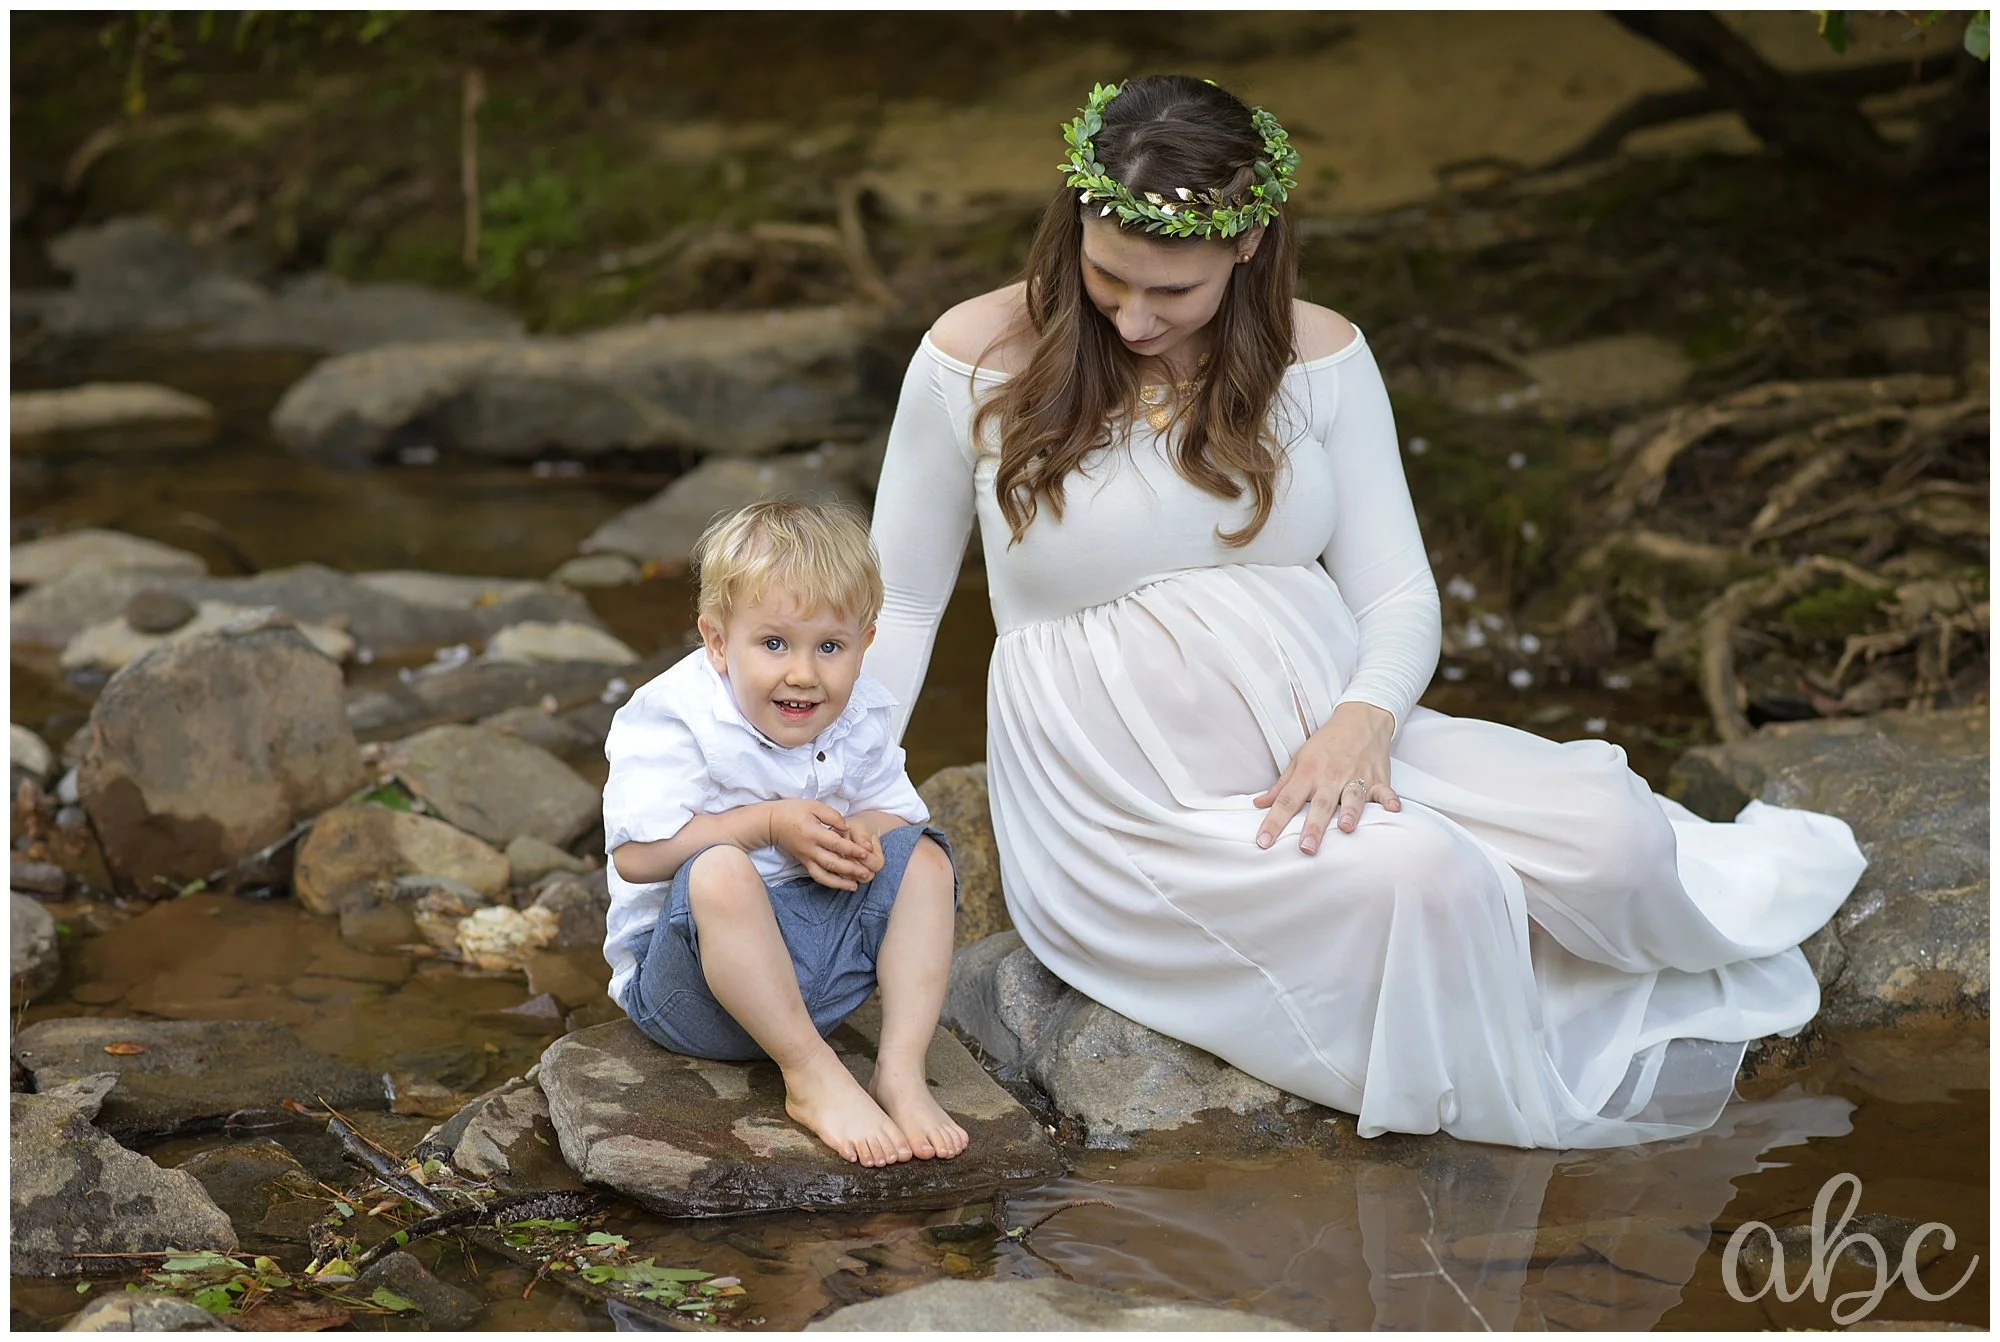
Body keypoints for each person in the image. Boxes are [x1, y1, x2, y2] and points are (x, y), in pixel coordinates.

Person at [864, 75, 1865, 1149]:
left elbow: (1395, 593)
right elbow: (905, 601)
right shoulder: (975, 356)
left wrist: (1365, 719)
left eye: (1174, 291)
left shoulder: (1320, 357)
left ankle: (1510, 920)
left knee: (1611, 839)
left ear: (1247, 248)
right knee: (1429, 879)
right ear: (1072, 225)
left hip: (1336, 740)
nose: (1133, 316)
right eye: (1106, 276)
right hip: (1130, 802)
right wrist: (857, 781)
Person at [600, 499, 966, 1167]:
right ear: (716, 641)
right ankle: (809, 1073)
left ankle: (901, 1070)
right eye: (774, 644)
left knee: (925, 861)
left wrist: (856, 834)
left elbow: (899, 813)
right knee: (719, 870)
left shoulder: (859, 711)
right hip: (696, 987)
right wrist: (767, 823)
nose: (803, 673)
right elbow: (635, 857)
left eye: (830, 647)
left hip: (817, 974)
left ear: (866, 641)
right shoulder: (673, 715)